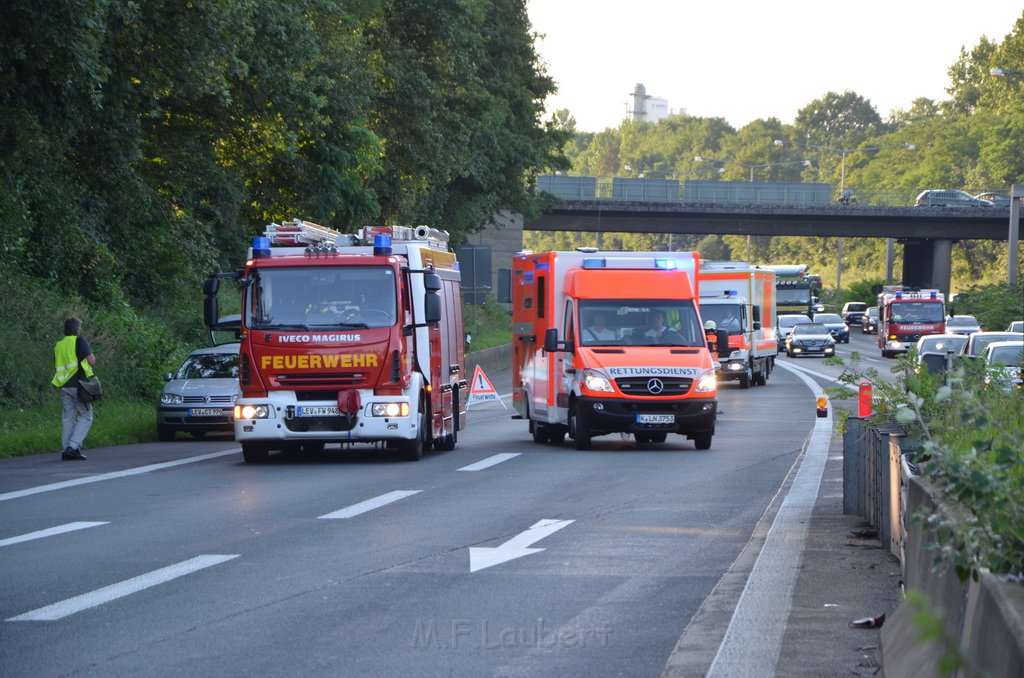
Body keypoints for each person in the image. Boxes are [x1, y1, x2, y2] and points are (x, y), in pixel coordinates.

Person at [51, 317, 96, 460]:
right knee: (86, 416)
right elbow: (91, 361)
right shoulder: (79, 341)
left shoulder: (59, 345)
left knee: (68, 418)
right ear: (76, 330)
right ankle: (73, 446)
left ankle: (66, 450)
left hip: (63, 385)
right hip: (79, 385)